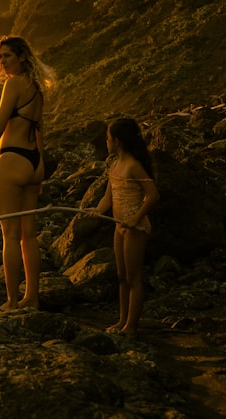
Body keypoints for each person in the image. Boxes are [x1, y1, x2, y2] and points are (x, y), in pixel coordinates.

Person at [0, 35, 57, 311]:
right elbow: (40, 130)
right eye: (0, 56)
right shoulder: (36, 88)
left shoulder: (14, 84)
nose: (2, 61)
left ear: (22, 57)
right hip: (32, 163)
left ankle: (12, 301)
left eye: (7, 56)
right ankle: (32, 298)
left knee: (11, 235)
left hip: (11, 161)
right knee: (29, 235)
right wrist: (40, 167)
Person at [85, 117, 160, 336]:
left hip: (135, 227)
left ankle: (131, 327)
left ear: (117, 141)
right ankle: (121, 320)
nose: (106, 142)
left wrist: (136, 218)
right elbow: (108, 197)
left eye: (108, 138)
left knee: (133, 277)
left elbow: (153, 195)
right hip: (119, 226)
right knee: (121, 276)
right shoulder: (114, 164)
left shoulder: (134, 166)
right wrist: (97, 211)